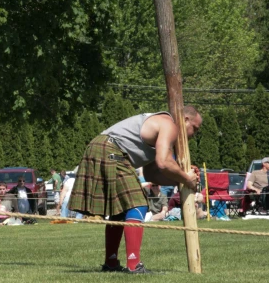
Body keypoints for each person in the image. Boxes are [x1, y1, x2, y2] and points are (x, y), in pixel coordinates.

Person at [69, 107, 202, 274]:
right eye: (194, 129)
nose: (193, 134)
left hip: (100, 147)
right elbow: (164, 162)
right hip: (111, 150)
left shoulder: (161, 131)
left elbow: (152, 173)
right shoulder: (170, 125)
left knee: (119, 210)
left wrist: (181, 181)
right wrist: (186, 177)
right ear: (186, 120)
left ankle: (111, 263)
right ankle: (134, 265)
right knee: (137, 203)